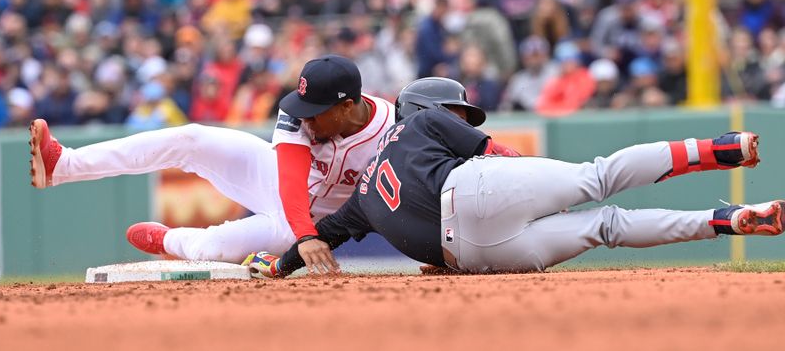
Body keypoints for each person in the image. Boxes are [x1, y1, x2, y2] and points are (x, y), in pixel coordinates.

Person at [242, 77, 778, 278]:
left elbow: (321, 235)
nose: (461, 117)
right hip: (475, 190)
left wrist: (281, 263)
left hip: (474, 258)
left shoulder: (360, 195)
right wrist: (541, 190)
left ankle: (726, 221)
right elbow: (497, 156)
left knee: (606, 227)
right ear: (427, 108)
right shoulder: (425, 122)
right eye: (458, 110)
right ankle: (720, 147)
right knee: (599, 177)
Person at [28, 55, 394, 263]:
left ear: (347, 106)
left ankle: (171, 241)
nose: (305, 118)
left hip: (310, 222)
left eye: (315, 111)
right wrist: (305, 237)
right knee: (191, 138)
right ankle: (63, 165)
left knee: (213, 249)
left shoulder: (393, 127)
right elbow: (290, 181)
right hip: (285, 193)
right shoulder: (298, 117)